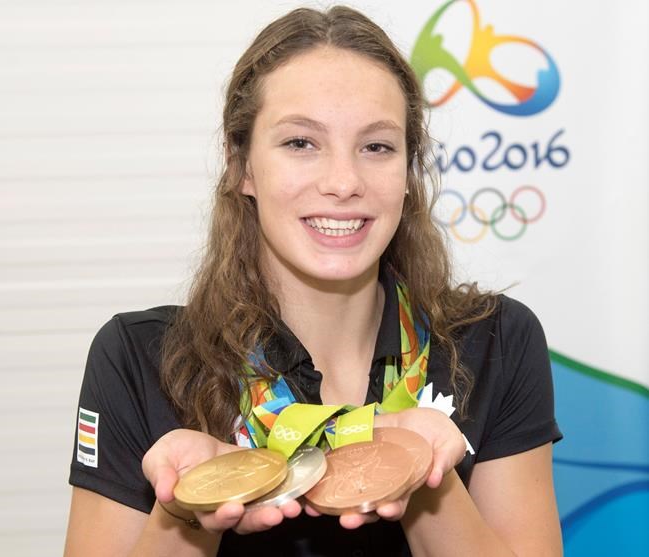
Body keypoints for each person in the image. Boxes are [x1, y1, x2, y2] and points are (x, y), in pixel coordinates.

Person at [64, 6, 563, 556]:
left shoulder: (495, 343)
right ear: (241, 166)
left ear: (408, 173)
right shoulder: (140, 359)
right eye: (301, 143)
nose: (344, 182)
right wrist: (184, 511)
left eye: (377, 146)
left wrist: (425, 478)